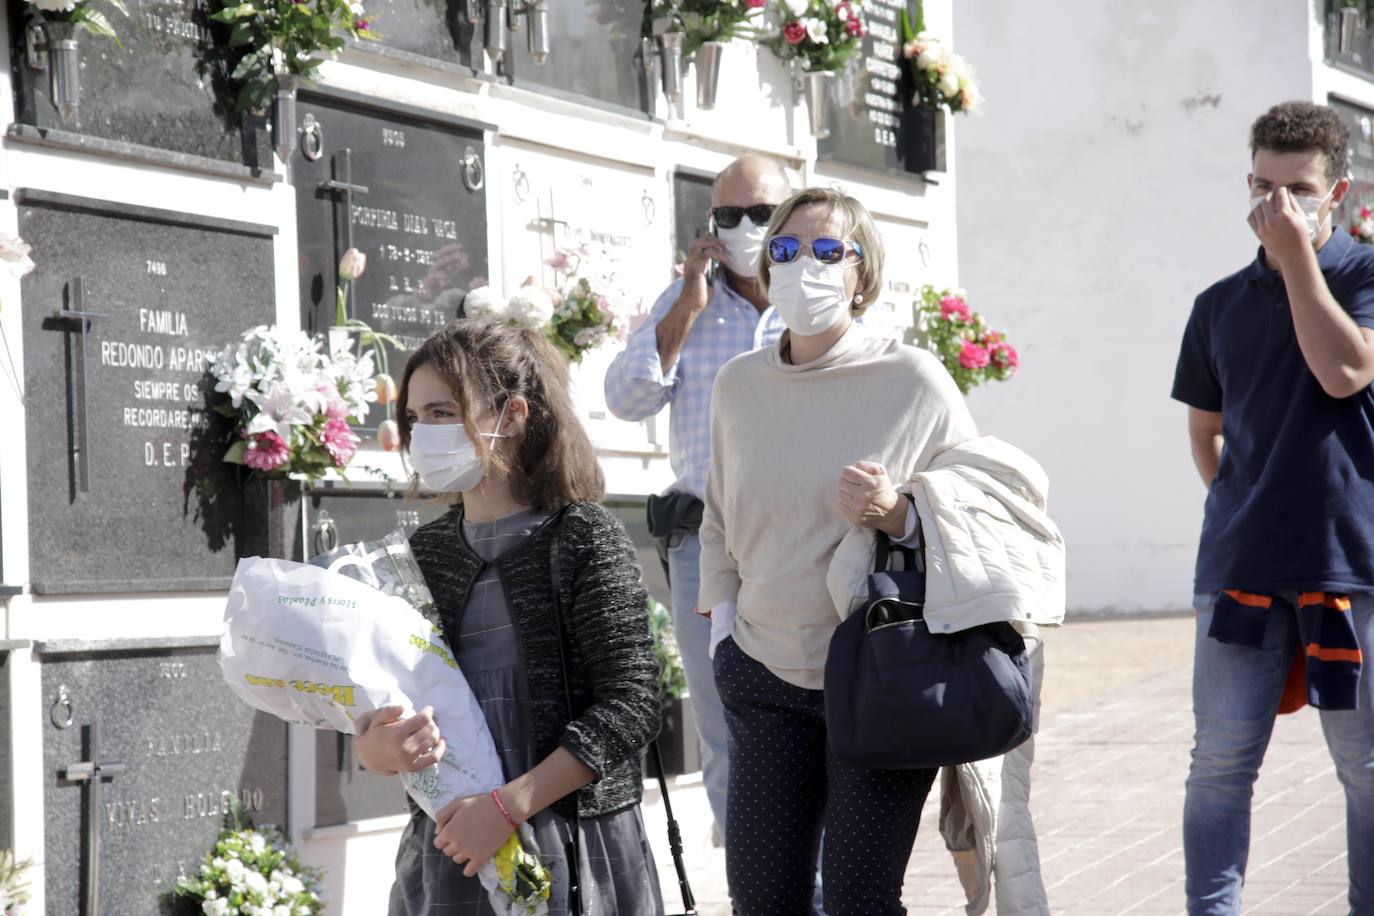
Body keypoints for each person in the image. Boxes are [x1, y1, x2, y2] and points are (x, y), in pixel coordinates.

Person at [698, 186, 978, 916]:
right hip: (763, 678)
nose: (803, 268)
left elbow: (981, 512)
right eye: (785, 251)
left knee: (859, 898)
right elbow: (718, 514)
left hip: (878, 678)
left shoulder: (913, 381)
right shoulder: (738, 387)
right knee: (762, 900)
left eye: (828, 251)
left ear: (865, 277)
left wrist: (897, 513)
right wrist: (724, 631)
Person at [355, 318, 665, 915]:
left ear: (513, 414)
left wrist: (505, 809)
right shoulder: (425, 554)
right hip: (451, 846)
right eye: (415, 419)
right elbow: (382, 714)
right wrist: (378, 748)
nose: (424, 434)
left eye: (444, 412)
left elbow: (632, 703)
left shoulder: (582, 536)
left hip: (571, 842)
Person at [1172, 100, 1374, 916]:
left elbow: (1344, 374)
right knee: (1219, 764)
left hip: (1349, 567)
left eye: (1296, 191)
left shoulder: (1364, 276)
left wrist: (1297, 261)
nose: (1273, 208)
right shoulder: (1217, 304)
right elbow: (1206, 435)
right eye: (1261, 186)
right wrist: (1245, 511)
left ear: (1340, 193)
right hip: (1241, 571)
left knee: (1363, 768)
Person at [604, 152, 790, 842]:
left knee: (815, 712)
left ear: (791, 214)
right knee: (723, 723)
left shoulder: (820, 297)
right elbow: (626, 399)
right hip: (705, 546)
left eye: (762, 213)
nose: (745, 228)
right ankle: (757, 886)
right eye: (729, 215)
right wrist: (687, 304)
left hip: (802, 539)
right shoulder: (686, 300)